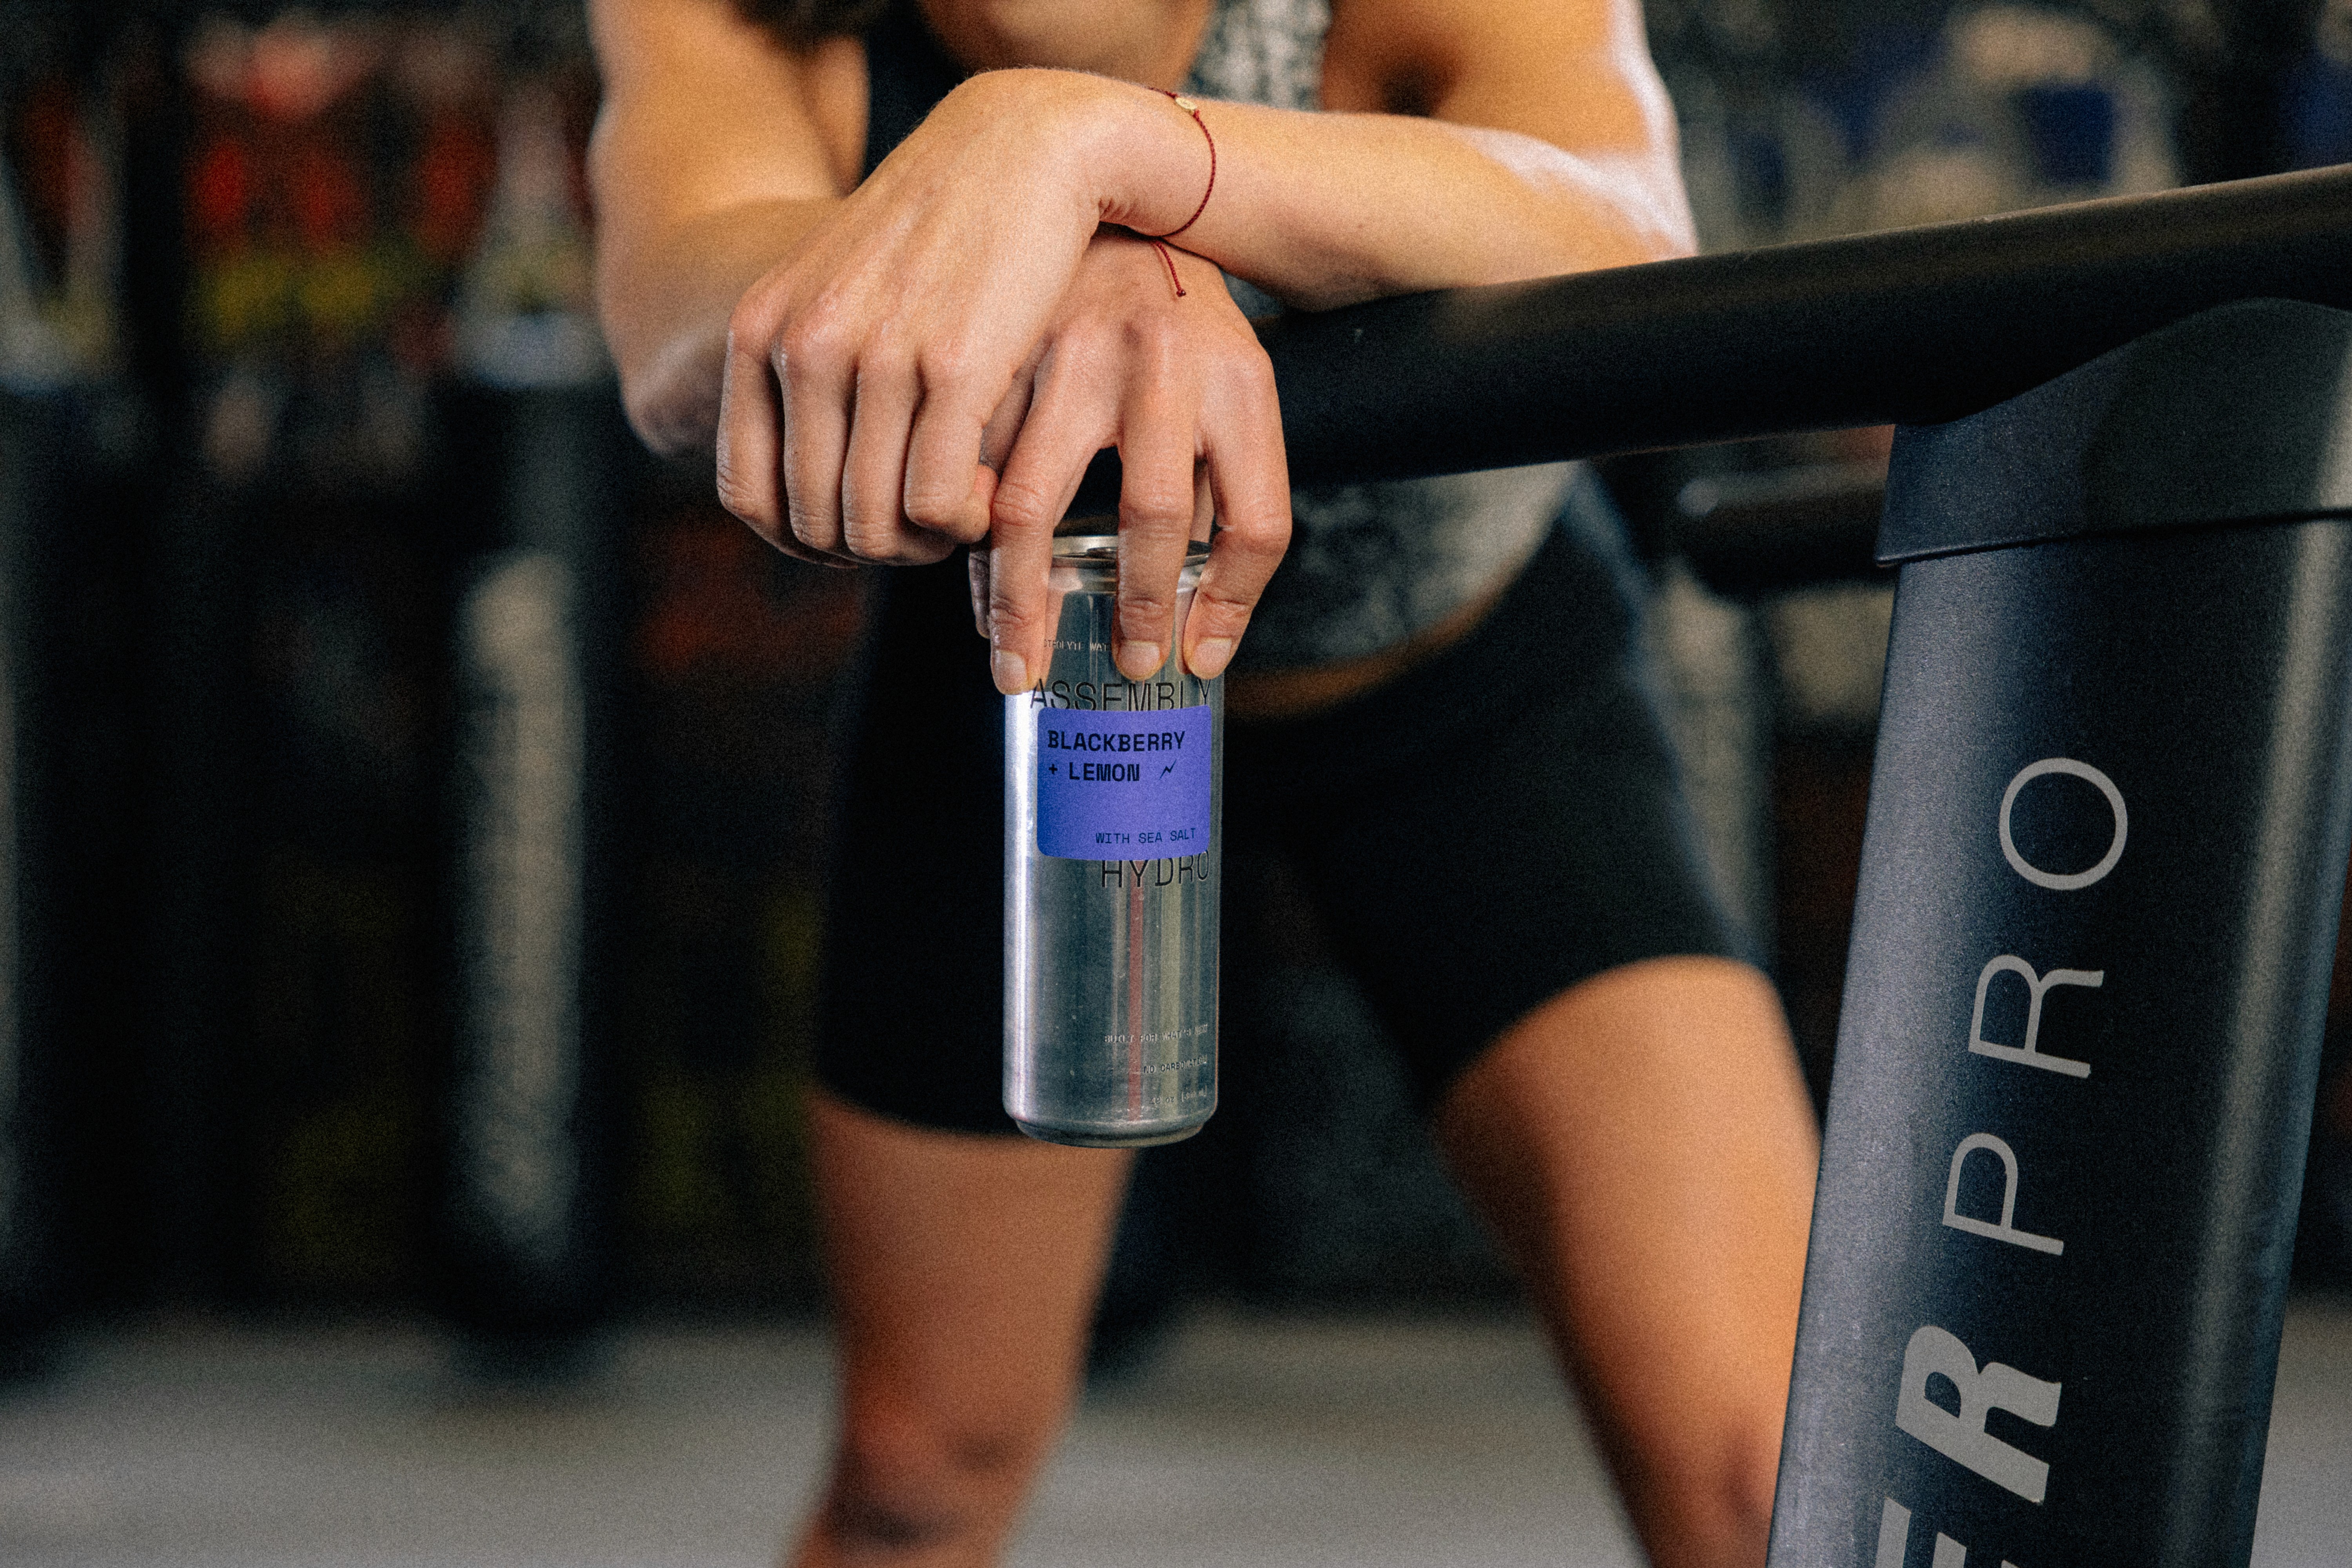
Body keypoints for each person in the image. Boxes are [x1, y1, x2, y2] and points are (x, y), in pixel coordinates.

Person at [586, 2, 1821, 1564]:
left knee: (1762, 1478)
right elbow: (673, 311)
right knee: (917, 1478)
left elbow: (1631, 226)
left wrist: (1104, 157)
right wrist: (1047, 246)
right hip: (1037, 678)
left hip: (1458, 670)